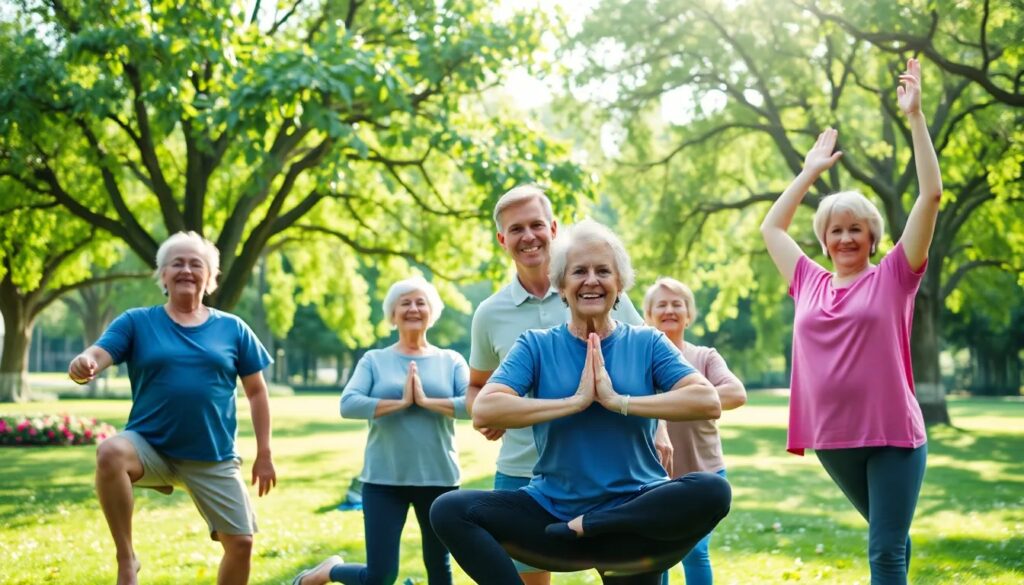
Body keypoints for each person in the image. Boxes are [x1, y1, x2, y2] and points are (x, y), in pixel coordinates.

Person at [430, 219, 732, 585]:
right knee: (449, 510)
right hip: (554, 519)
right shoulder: (536, 345)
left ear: (619, 285)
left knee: (714, 489)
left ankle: (596, 523)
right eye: (579, 272)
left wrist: (617, 401)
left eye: (603, 271)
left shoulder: (648, 342)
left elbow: (706, 400)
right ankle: (588, 524)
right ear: (561, 285)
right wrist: (575, 402)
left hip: (632, 525)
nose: (591, 281)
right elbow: (485, 409)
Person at [759, 58, 940, 584]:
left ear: (872, 236)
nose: (845, 238)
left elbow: (930, 195)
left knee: (884, 550)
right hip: (832, 437)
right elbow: (772, 228)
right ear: (823, 239)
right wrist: (809, 172)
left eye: (855, 229)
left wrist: (915, 118)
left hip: (892, 436)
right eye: (835, 230)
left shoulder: (894, 276)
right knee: (892, 540)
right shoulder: (807, 280)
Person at [466, 184, 656, 585]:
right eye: (516, 229)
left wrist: (663, 434)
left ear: (553, 228)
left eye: (536, 224)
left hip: (609, 473)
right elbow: (477, 387)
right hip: (522, 474)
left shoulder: (597, 290)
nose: (529, 236)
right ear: (502, 239)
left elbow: (647, 364)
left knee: (633, 573)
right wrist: (486, 413)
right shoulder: (489, 313)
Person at [67, 231, 276, 585]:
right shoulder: (137, 322)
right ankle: (127, 559)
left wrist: (264, 453)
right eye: (176, 263)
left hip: (212, 454)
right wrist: (85, 362)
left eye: (196, 264)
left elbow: (256, 392)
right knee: (110, 452)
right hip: (150, 446)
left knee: (241, 544)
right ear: (162, 275)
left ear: (210, 278)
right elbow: (99, 353)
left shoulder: (233, 328)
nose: (186, 270)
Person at [293, 277, 469, 585]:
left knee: (440, 569)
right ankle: (327, 571)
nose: (413, 308)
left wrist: (426, 401)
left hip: (439, 479)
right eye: (405, 303)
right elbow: (348, 404)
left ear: (432, 312)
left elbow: (473, 406)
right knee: (381, 576)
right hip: (383, 481)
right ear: (392, 314)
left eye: (421, 302)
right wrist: (400, 403)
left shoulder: (451, 360)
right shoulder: (374, 360)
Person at [643, 278, 746, 585]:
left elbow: (736, 393)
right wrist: (690, 400)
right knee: (655, 553)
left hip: (705, 471)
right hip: (653, 476)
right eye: (661, 304)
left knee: (695, 551)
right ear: (648, 315)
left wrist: (680, 401)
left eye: (677, 304)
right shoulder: (640, 359)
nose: (669, 310)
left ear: (689, 315)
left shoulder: (704, 357)